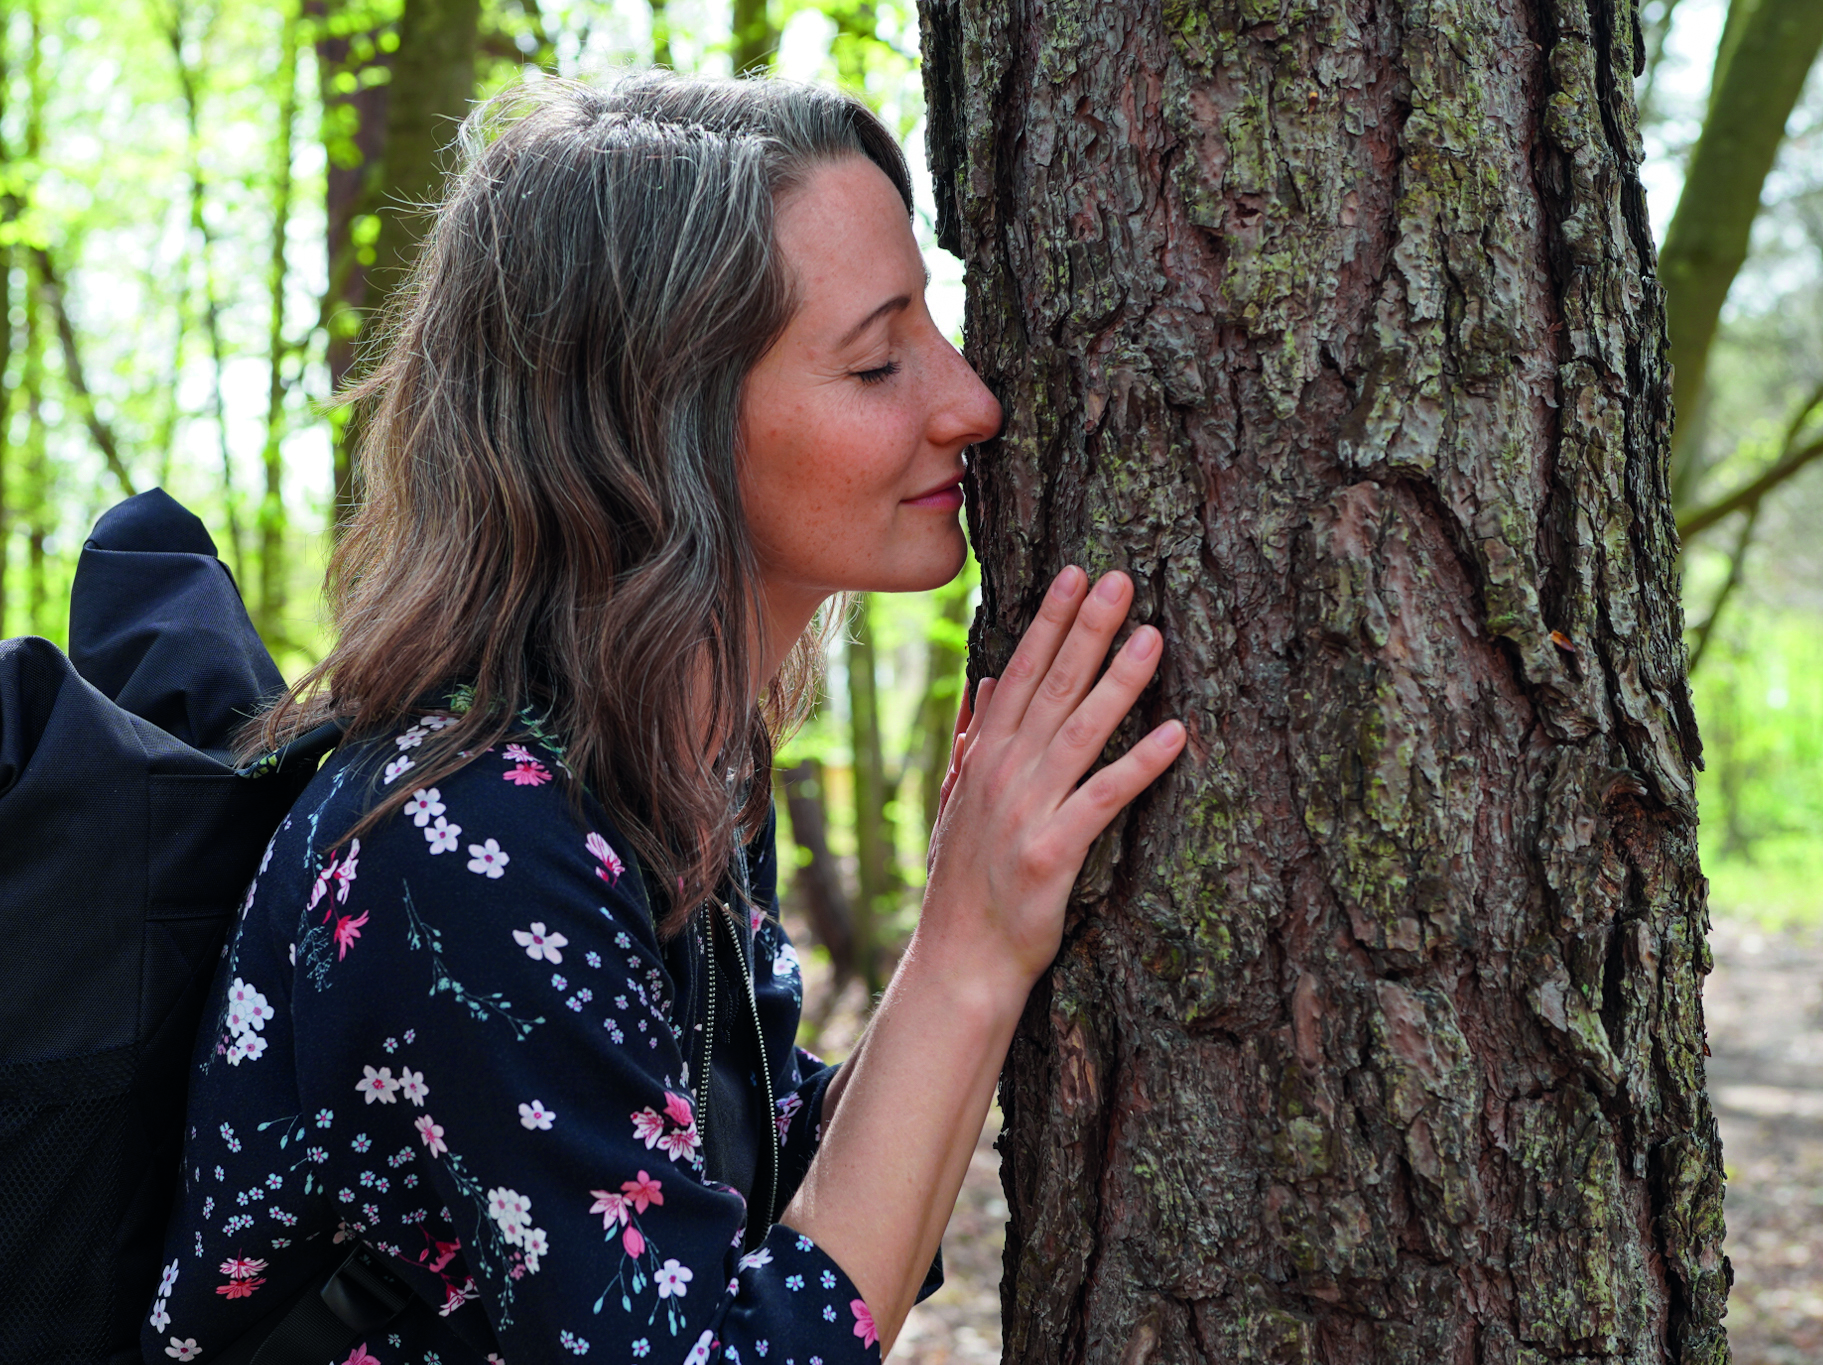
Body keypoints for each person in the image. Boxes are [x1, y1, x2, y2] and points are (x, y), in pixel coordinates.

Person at [147, 72, 1184, 1365]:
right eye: (877, 361)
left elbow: (772, 1201)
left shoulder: (675, 774)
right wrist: (967, 953)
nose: (972, 402)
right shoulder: (469, 842)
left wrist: (983, 912)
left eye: (933, 325)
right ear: (659, 430)